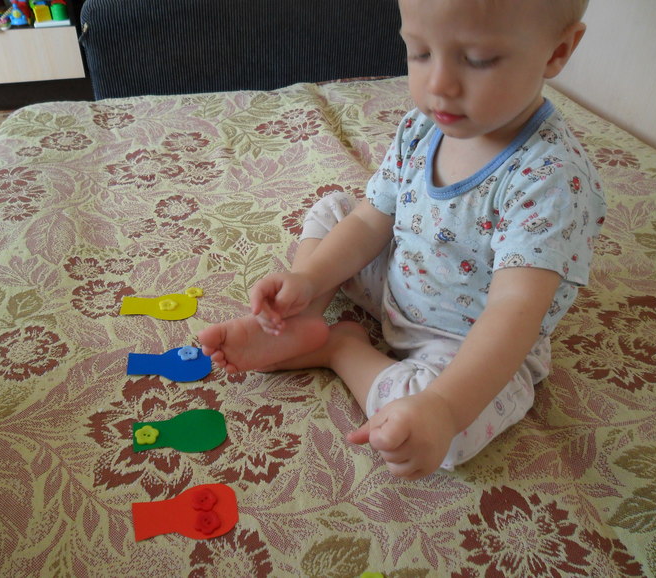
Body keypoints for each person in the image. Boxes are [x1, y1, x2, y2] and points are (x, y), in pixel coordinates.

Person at [198, 0, 606, 480]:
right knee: (334, 211)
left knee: (443, 435)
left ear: (557, 52)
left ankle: (339, 348)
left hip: (468, 338)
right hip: (398, 277)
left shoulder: (550, 179)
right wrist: (308, 280)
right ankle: (302, 316)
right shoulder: (422, 127)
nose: (439, 85)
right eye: (420, 52)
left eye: (478, 60)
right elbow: (371, 222)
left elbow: (513, 312)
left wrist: (445, 408)